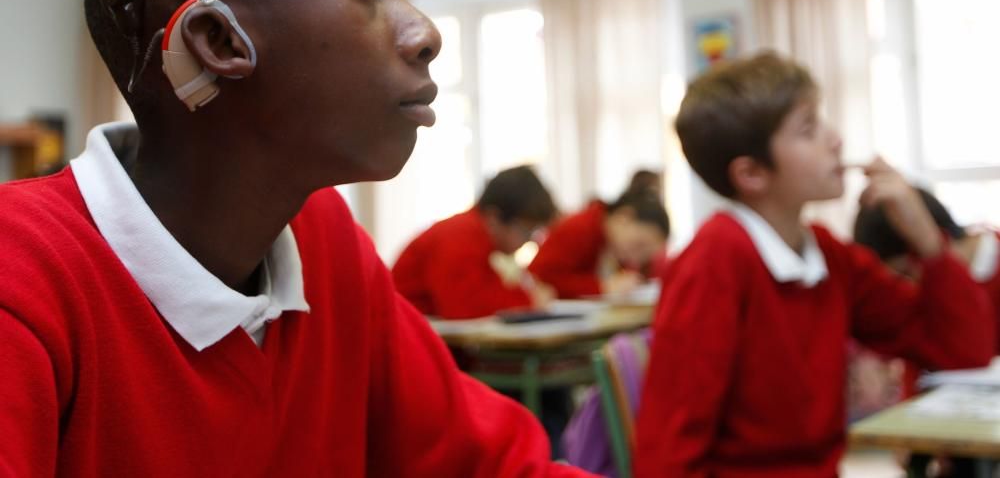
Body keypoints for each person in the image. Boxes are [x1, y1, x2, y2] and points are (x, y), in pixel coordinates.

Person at [0, 0, 593, 477]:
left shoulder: (325, 242)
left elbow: (491, 466)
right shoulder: (23, 279)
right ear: (218, 42)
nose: (424, 31)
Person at [633, 51, 994, 478]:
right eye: (808, 129)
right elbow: (668, 456)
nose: (835, 138)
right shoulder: (714, 262)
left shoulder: (825, 254)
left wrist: (929, 243)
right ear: (751, 174)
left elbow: (963, 349)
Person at [854, 189, 1000, 478]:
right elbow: (922, 361)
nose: (906, 285)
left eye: (906, 273)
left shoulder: (946, 275)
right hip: (953, 430)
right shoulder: (925, 287)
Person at [392, 165, 559, 319]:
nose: (530, 240)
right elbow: (465, 307)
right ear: (494, 218)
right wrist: (530, 300)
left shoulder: (474, 236)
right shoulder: (459, 237)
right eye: (526, 231)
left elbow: (485, 291)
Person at [530, 189, 669, 299]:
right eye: (639, 245)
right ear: (624, 217)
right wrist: (602, 287)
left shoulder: (613, 246)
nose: (636, 259)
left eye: (645, 256)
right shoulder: (580, 228)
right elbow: (540, 279)